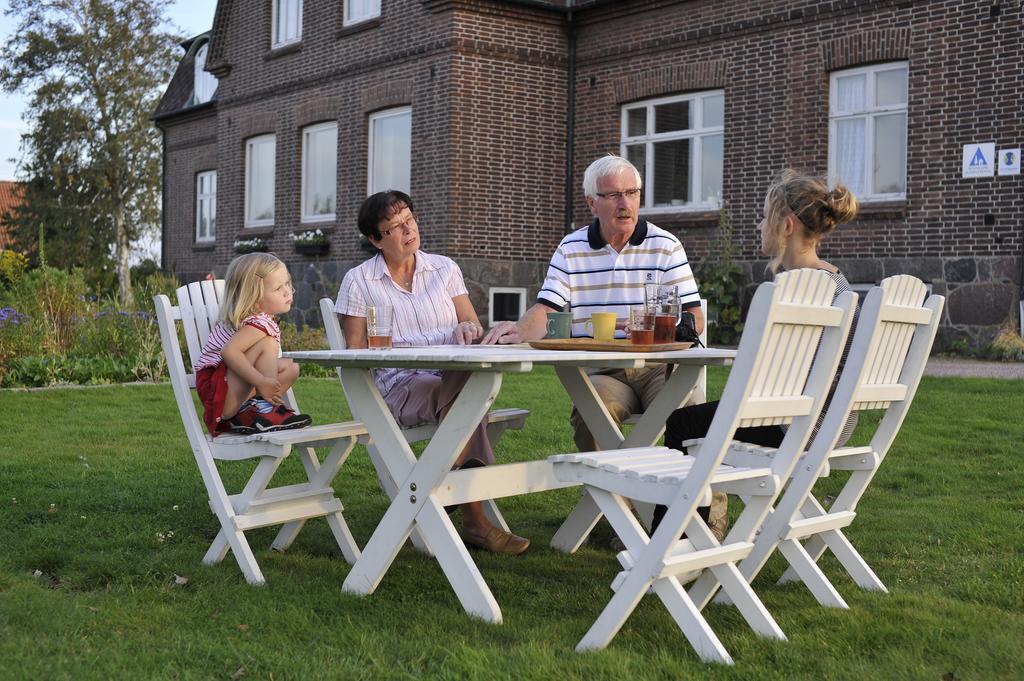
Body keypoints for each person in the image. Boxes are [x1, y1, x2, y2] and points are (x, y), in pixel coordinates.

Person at [482, 154, 714, 538]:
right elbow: (547, 308)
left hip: (659, 368)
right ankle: (615, 515)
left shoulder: (665, 245)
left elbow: (694, 316)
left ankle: (704, 521)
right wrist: (521, 330)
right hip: (605, 371)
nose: (624, 204)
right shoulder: (572, 248)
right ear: (592, 203)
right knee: (592, 413)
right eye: (612, 196)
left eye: (631, 193)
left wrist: (658, 325)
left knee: (691, 420)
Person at [660, 169, 860, 539]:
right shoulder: (839, 284)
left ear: (786, 226)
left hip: (794, 426)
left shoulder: (794, 288)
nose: (758, 225)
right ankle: (694, 534)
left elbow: (762, 379)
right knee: (701, 419)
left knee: (682, 424)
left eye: (763, 218)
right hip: (833, 426)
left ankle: (675, 541)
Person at [335, 190, 530, 555]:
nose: (408, 229)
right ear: (375, 240)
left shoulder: (444, 268)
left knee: (467, 380)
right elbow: (355, 352)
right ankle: (474, 515)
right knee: (469, 400)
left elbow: (470, 322)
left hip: (449, 374)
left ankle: (451, 485)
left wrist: (467, 330)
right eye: (395, 227)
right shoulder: (359, 281)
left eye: (409, 218)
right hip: (398, 384)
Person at [194, 253, 313, 436]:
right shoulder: (256, 323)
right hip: (219, 394)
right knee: (269, 345)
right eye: (278, 288)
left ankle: (251, 411)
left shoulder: (260, 319)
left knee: (291, 367)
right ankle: (266, 409)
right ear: (255, 297)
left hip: (230, 388)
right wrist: (261, 382)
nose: (288, 291)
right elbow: (229, 351)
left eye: (287, 283)